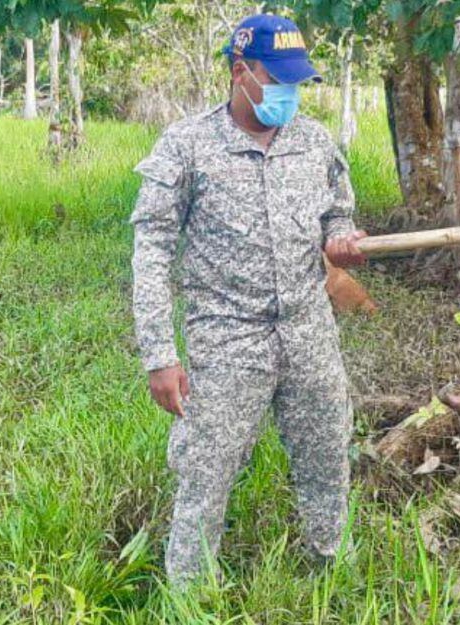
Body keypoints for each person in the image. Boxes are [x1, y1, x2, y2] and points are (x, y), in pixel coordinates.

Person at [127, 13, 367, 585]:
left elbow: (338, 211)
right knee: (206, 469)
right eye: (277, 79)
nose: (290, 94)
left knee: (327, 452)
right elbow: (152, 250)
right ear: (241, 72)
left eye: (297, 82)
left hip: (308, 330)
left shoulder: (313, 142)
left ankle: (329, 565)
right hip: (227, 336)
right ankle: (189, 594)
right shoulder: (188, 145)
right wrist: (159, 354)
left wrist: (342, 237)